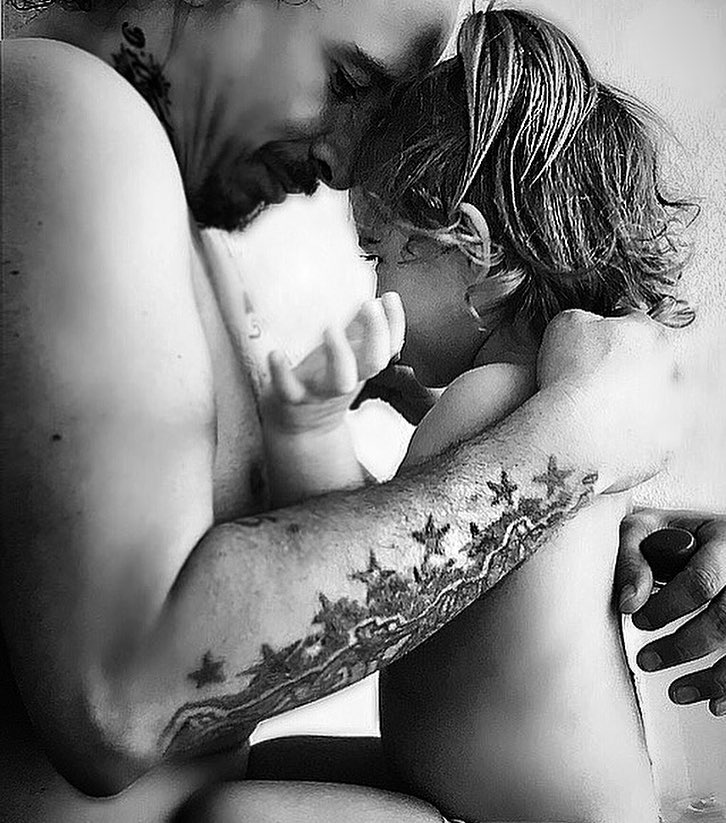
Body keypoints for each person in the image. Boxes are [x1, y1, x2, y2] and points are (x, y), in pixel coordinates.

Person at [0, 2, 722, 823]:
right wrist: (574, 446)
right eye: (346, 79)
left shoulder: (169, 212)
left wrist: (600, 541)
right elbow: (122, 700)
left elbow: (309, 555)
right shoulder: (61, 103)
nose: (348, 164)